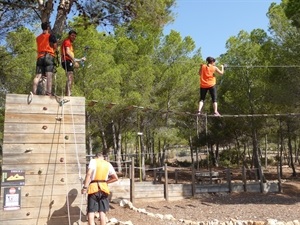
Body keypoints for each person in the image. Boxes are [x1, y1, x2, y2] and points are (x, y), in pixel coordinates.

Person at [81, 152, 118, 225]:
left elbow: (89, 174)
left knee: (91, 211)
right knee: (102, 212)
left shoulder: (93, 161)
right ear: (102, 157)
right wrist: (106, 182)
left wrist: (85, 187)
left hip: (93, 189)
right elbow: (115, 178)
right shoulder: (108, 164)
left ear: (96, 157)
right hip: (104, 189)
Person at [32, 22, 57, 96]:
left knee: (37, 76)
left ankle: (33, 92)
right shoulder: (51, 36)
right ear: (48, 28)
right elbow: (55, 47)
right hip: (49, 56)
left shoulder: (38, 38)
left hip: (40, 56)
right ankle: (48, 93)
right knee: (49, 75)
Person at [61, 30, 86, 96]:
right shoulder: (67, 41)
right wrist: (74, 62)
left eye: (75, 36)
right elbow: (68, 52)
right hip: (66, 61)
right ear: (69, 35)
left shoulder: (70, 44)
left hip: (69, 61)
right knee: (70, 77)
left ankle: (68, 93)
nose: (74, 37)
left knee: (70, 77)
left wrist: (80, 59)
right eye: (72, 35)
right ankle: (68, 94)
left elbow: (71, 57)